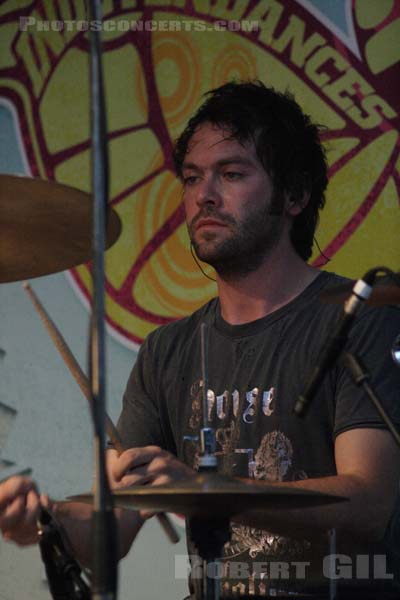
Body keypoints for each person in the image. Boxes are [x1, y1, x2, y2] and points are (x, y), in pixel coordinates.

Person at [1, 81, 400, 599]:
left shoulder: (362, 319)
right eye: (192, 178)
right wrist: (45, 521)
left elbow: (370, 504)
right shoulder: (168, 352)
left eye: (231, 174)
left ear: (296, 194)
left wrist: (208, 490)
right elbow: (109, 536)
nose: (204, 196)